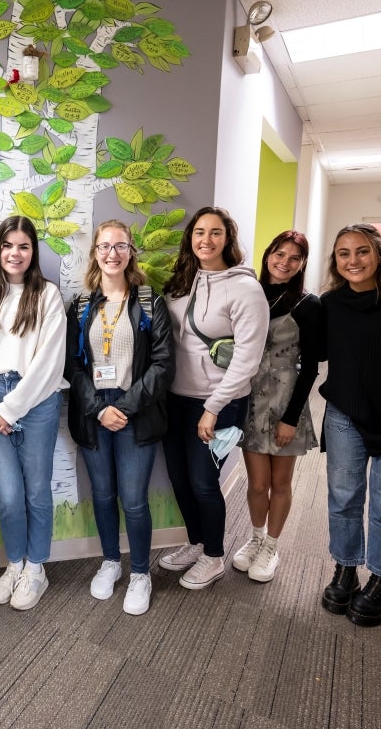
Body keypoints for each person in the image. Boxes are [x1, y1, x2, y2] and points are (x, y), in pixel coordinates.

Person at [65, 220, 173, 615]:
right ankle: (111, 562)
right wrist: (98, 407)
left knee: (134, 501)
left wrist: (123, 407)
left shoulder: (149, 302)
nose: (112, 253)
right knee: (103, 496)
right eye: (104, 246)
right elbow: (71, 366)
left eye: (120, 246)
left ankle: (140, 573)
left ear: (131, 252)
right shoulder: (80, 304)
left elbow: (163, 366)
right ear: (95, 252)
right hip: (93, 411)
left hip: (136, 412)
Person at [157, 207, 269, 590]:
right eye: (199, 232)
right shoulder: (182, 282)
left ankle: (214, 556)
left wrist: (213, 407)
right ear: (190, 237)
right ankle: (196, 542)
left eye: (216, 232)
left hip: (220, 403)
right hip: (176, 398)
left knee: (205, 483)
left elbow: (247, 360)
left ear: (228, 239)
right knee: (179, 479)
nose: (206, 239)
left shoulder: (245, 288)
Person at [319, 223, 381, 627]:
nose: (353, 260)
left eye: (361, 252)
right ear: (335, 261)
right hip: (344, 413)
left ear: (380, 255)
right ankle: (345, 566)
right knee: (343, 497)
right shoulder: (329, 303)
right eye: (344, 253)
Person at [0, 215, 67, 611]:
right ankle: (15, 565)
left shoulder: (47, 295)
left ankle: (36, 568)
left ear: (33, 252)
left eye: (23, 246)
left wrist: (11, 408)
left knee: (37, 490)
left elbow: (50, 362)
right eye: (8, 245)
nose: (15, 253)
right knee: (8, 496)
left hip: (37, 399)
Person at [231, 230, 322, 583]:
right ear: (268, 254)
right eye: (279, 254)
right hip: (251, 397)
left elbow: (312, 367)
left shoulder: (308, 304)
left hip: (287, 398)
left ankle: (272, 545)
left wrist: (290, 419)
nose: (284, 262)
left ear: (302, 265)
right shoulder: (248, 294)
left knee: (280, 482)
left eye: (294, 258)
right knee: (257, 483)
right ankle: (255, 538)